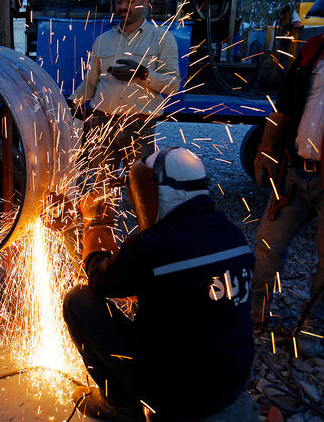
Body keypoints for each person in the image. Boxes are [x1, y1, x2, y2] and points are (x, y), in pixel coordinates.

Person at [64, 147, 255, 421]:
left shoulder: (153, 247)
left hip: (176, 396)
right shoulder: (232, 234)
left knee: (78, 301)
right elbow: (177, 284)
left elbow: (98, 280)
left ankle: (118, 403)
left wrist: (96, 222)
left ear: (156, 191)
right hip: (232, 383)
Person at [250, 0, 324, 348]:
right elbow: (283, 107)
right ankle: (253, 315)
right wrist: (266, 149)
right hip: (295, 171)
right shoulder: (311, 53)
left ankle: (311, 330)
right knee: (267, 242)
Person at [69, 0, 180, 183]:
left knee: (141, 187)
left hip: (138, 126)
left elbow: (173, 85)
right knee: (101, 188)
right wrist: (71, 102)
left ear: (146, 2)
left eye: (130, 0)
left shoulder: (162, 39)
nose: (123, 6)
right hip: (101, 124)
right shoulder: (103, 40)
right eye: (119, 1)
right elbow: (91, 84)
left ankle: (142, 215)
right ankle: (103, 216)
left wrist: (142, 74)